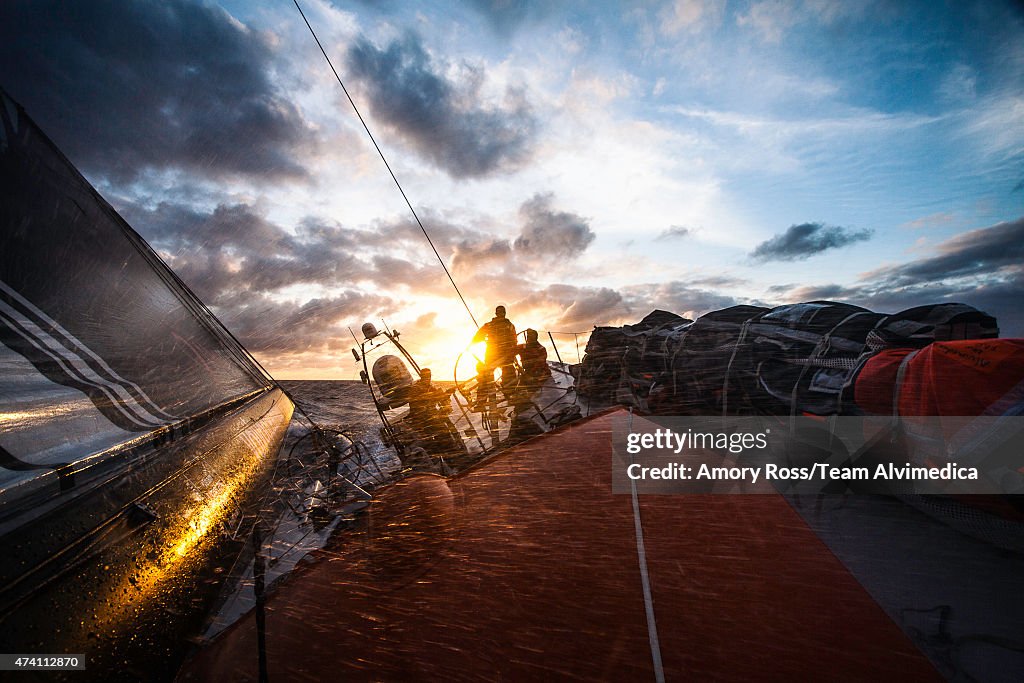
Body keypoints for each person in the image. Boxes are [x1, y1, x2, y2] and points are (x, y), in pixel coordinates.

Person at [472, 305, 518, 388]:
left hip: (499, 355)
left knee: (491, 375)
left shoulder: (490, 325)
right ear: (497, 313)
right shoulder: (508, 326)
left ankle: (501, 393)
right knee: (504, 375)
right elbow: (514, 341)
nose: (501, 314)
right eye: (500, 312)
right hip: (499, 355)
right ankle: (506, 394)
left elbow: (477, 338)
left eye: (502, 312)